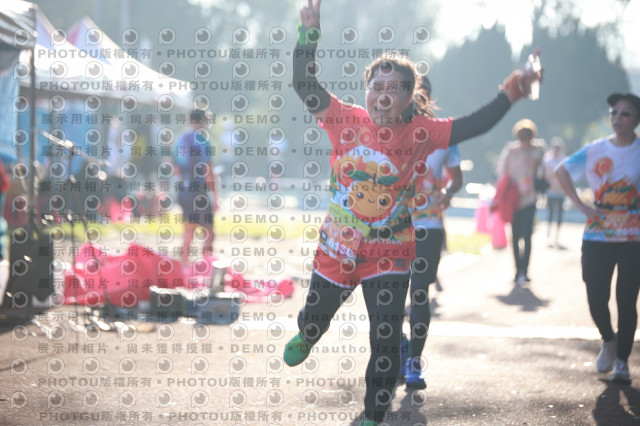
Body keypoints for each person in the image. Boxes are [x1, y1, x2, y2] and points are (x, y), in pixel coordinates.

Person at [284, 2, 542, 424]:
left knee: (386, 338)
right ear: (366, 89)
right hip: (338, 245)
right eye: (376, 86)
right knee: (315, 319)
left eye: (394, 88)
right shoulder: (343, 117)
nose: (382, 94)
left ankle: (374, 413)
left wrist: (513, 90)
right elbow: (303, 82)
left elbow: (476, 124)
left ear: (408, 98)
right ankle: (308, 332)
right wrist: (308, 34)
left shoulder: (422, 132)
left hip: (390, 250)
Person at [555, 92, 640, 384]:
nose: (618, 118)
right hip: (597, 234)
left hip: (633, 237)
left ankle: (622, 362)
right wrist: (581, 205)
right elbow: (561, 170)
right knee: (595, 296)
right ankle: (608, 338)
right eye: (614, 112)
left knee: (626, 300)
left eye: (625, 113)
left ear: (636, 119)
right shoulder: (595, 149)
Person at [399, 76, 463, 389]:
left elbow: (456, 177)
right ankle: (399, 346)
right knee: (388, 295)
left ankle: (414, 361)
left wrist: (448, 192)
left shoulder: (442, 136)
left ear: (426, 96)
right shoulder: (387, 130)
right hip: (392, 228)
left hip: (429, 226)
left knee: (419, 292)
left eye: (416, 93)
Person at [497, 119, 544, 286]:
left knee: (527, 235)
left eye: (527, 137)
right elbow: (503, 173)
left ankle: (525, 269)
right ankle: (518, 270)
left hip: (529, 198)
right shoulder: (510, 151)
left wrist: (526, 153)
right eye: (522, 137)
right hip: (514, 199)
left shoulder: (536, 151)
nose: (525, 141)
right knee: (516, 235)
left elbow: (539, 166)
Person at [173, 109, 217, 266]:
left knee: (189, 230)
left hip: (183, 190)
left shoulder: (180, 139)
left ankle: (183, 265)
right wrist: (215, 197)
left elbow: (175, 169)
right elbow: (208, 171)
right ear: (203, 121)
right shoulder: (202, 140)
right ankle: (207, 265)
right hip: (198, 190)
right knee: (208, 231)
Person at [543, 137, 567, 247]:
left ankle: (557, 234)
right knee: (550, 211)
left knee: (560, 213)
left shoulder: (563, 160)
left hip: (561, 191)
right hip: (551, 190)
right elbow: (547, 175)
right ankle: (549, 231)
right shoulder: (548, 160)